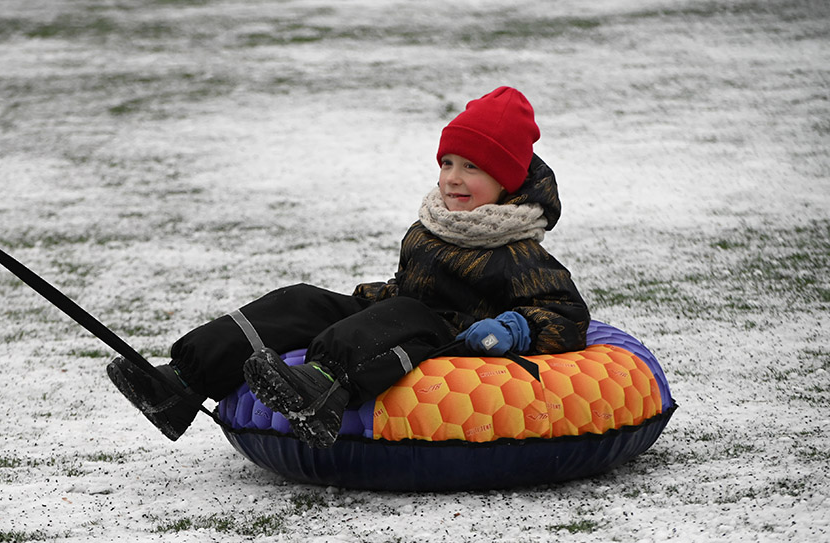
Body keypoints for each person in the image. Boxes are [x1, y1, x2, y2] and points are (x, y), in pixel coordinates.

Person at [107, 86, 590, 449]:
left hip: (451, 335)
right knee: (301, 301)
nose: (453, 179)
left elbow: (566, 316)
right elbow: (409, 288)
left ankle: (322, 387)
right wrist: (372, 295)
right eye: (447, 163)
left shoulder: (519, 252)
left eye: (472, 168)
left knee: (404, 315)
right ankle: (182, 383)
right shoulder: (430, 228)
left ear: (505, 181)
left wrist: (513, 327)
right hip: (399, 314)